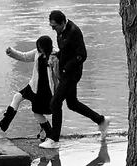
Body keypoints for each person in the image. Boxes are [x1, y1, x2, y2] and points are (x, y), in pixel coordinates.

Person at [39, 10, 109, 150]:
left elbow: (82, 55)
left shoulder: (74, 32)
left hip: (72, 74)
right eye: (51, 26)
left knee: (55, 102)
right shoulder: (61, 31)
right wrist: (57, 56)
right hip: (65, 73)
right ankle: (101, 120)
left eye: (54, 26)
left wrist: (66, 68)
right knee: (73, 104)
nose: (52, 29)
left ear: (63, 22)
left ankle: (54, 139)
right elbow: (66, 50)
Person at [0, 35, 58, 141]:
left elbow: (58, 75)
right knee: (17, 97)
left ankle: (49, 133)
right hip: (34, 85)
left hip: (46, 91)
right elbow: (24, 56)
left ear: (47, 46)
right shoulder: (37, 53)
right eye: (38, 47)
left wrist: (58, 92)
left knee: (38, 114)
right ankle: (4, 123)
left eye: (41, 47)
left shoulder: (55, 56)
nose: (39, 49)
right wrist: (11, 52)